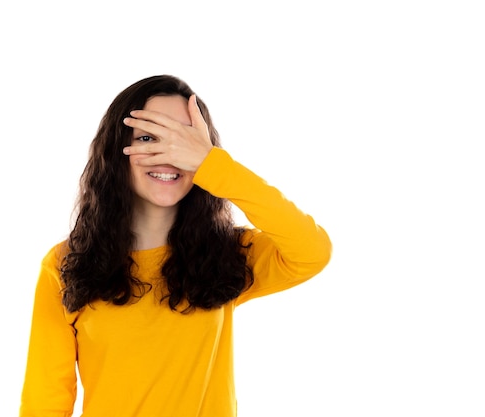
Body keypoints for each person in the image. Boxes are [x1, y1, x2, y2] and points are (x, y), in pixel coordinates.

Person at [19, 74, 332, 417]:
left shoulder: (228, 254)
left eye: (184, 141)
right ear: (117, 151)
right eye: (149, 137)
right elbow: (44, 403)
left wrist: (212, 164)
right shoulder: (65, 264)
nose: (169, 155)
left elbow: (312, 250)